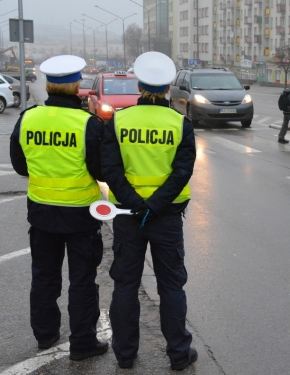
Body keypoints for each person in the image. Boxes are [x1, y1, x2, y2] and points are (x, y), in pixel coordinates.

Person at [101, 51, 197, 371]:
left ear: (138, 85)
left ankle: (125, 355)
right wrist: (154, 207)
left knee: (126, 285)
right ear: (169, 87)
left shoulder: (119, 120)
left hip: (128, 217)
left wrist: (136, 205)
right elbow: (182, 172)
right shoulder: (180, 123)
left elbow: (110, 170)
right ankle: (179, 355)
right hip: (166, 217)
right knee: (171, 285)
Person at [9, 55, 109, 360]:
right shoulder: (87, 124)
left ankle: (45, 335)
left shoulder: (28, 118)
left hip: (42, 214)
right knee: (82, 280)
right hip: (80, 216)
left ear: (49, 85)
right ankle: (82, 344)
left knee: (44, 277)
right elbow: (102, 171)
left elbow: (20, 166)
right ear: (76, 85)